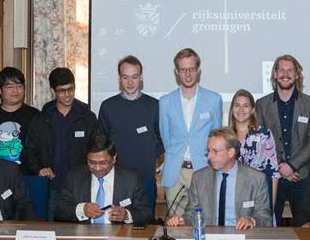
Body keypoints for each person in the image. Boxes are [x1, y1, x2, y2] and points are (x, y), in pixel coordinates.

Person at [256, 54, 310, 226]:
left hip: (301, 176)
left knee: (305, 227)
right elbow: (260, 141)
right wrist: (280, 167)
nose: (286, 74)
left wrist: (291, 166)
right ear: (275, 74)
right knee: (269, 225)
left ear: (297, 74)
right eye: (281, 70)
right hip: (271, 176)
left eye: (290, 70)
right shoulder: (262, 104)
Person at [26, 67, 98, 219]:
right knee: (53, 234)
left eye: (70, 89)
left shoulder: (88, 117)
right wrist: (39, 169)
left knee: (83, 237)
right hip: (52, 187)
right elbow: (30, 150)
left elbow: (98, 148)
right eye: (61, 91)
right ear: (53, 91)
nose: (67, 95)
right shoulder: (41, 118)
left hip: (82, 186)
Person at [159, 48, 222, 217]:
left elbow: (216, 137)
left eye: (192, 69)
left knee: (204, 221)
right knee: (175, 225)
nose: (188, 74)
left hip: (203, 170)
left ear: (199, 70)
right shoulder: (165, 102)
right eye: (183, 69)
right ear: (176, 72)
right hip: (175, 172)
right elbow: (166, 137)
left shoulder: (214, 99)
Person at [99, 55, 163, 212]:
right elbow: (101, 143)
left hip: (146, 178)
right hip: (116, 179)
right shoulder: (108, 106)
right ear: (119, 78)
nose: (130, 82)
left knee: (146, 223)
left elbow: (163, 139)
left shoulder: (154, 106)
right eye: (125, 77)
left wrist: (151, 157)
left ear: (141, 78)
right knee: (117, 224)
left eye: (134, 77)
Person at [53, 131, 153, 226]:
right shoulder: (74, 177)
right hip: (84, 237)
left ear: (114, 159)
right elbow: (58, 210)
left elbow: (146, 214)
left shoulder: (131, 179)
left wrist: (126, 215)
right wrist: (81, 209)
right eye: (91, 162)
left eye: (103, 163)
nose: (97, 168)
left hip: (118, 238)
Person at [0, 67, 42, 173]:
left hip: (27, 176)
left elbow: (42, 148)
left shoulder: (35, 115)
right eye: (10, 86)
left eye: (19, 86)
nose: (15, 91)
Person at [228, 89, 280, 212]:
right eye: (237, 105)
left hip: (259, 195)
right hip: (232, 196)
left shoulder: (264, 134)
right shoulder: (225, 136)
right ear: (232, 109)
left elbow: (274, 173)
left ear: (252, 110)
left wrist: (271, 205)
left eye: (246, 106)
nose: (241, 110)